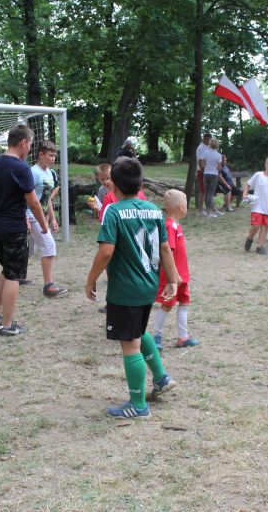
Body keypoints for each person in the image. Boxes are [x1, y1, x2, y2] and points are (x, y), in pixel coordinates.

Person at [85, 157, 180, 419]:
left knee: (129, 344)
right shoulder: (154, 210)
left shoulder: (113, 211)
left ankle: (138, 405)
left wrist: (91, 279)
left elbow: (106, 251)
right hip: (148, 285)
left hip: (125, 289)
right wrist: (172, 279)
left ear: (113, 185)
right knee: (138, 331)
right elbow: (164, 248)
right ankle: (161, 377)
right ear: (141, 184)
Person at [0, 123, 48, 337]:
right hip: (13, 228)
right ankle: (7, 325)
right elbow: (34, 203)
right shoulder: (21, 168)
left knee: (7, 270)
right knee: (14, 275)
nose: (30, 149)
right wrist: (44, 225)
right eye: (30, 144)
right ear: (23, 143)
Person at [150, 189, 198, 350]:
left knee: (184, 302)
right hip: (172, 277)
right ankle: (156, 337)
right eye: (186, 204)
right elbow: (167, 252)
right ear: (181, 206)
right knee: (167, 305)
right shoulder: (169, 226)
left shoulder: (176, 225)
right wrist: (175, 275)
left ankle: (183, 337)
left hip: (182, 276)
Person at [27, 140, 68, 298]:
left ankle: (17, 277)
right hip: (31, 216)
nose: (53, 159)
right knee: (49, 246)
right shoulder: (33, 172)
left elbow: (47, 198)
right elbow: (24, 196)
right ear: (40, 154)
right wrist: (25, 217)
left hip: (41, 216)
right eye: (50, 155)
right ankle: (48, 286)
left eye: (54, 156)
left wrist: (52, 218)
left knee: (28, 250)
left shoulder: (50, 173)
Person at [200, 139, 227, 217]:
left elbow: (202, 165)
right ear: (217, 145)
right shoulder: (218, 155)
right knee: (210, 194)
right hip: (214, 175)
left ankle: (208, 211)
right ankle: (209, 212)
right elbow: (219, 168)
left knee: (206, 193)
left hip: (206, 174)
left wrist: (207, 169)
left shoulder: (205, 153)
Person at [195, 132, 213, 213]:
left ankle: (207, 207)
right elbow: (200, 162)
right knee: (203, 190)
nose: (209, 141)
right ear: (204, 139)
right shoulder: (201, 148)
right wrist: (204, 171)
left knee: (207, 190)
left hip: (208, 170)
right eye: (207, 139)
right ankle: (201, 210)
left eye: (210, 140)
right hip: (203, 171)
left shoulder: (208, 147)